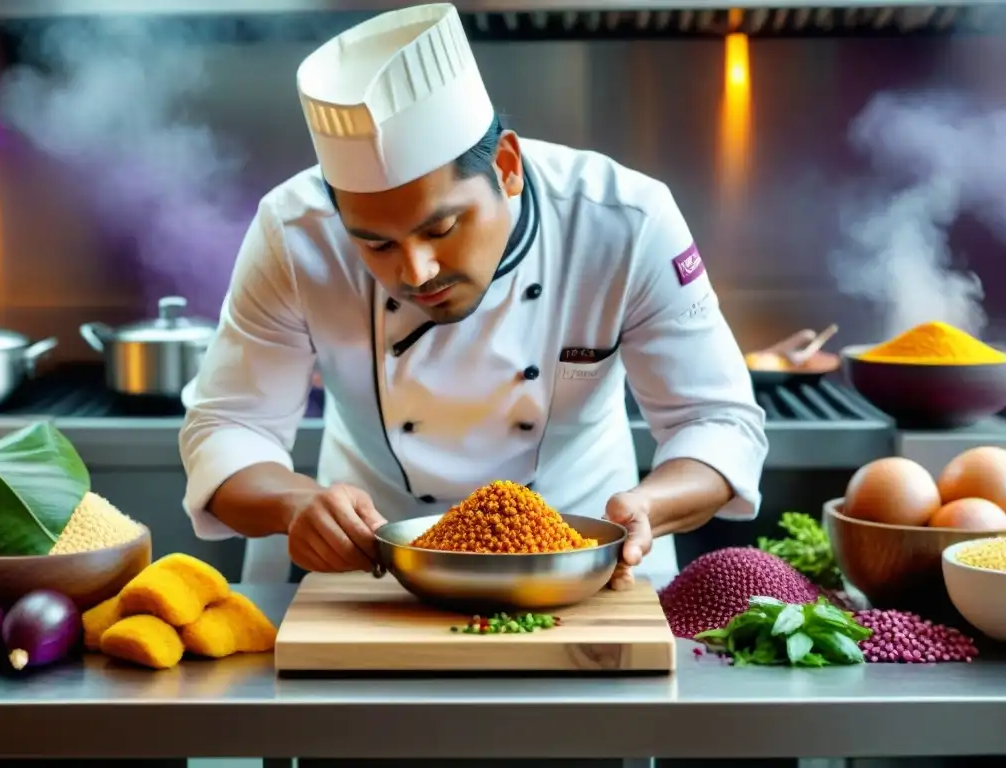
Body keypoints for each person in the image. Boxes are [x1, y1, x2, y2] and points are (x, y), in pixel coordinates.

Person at [179, 2, 768, 592]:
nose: (416, 272)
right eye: (376, 244)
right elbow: (229, 426)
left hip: (586, 569)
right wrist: (295, 505)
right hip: (368, 575)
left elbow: (715, 420)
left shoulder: (624, 220)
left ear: (507, 167)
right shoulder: (293, 232)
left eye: (441, 228)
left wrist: (648, 507)